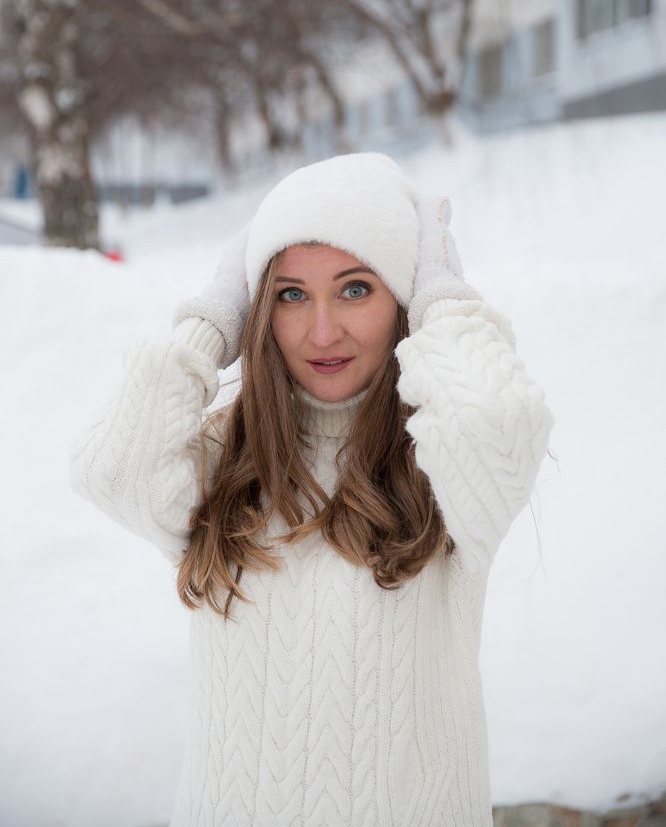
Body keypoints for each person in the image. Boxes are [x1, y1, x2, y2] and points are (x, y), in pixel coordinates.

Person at [70, 151, 554, 827]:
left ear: (403, 298)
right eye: (291, 295)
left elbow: (496, 426)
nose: (321, 332)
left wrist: (443, 297)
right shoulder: (222, 459)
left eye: (356, 288)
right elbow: (109, 469)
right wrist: (210, 319)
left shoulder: (443, 462)